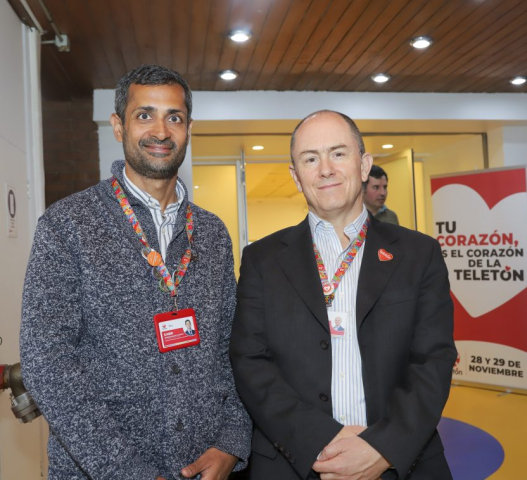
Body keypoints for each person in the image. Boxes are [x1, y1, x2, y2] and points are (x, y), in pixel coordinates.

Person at [20, 64, 251, 480]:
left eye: (174, 118)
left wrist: (231, 442)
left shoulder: (212, 232)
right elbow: (46, 361)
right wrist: (126, 470)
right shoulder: (67, 224)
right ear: (118, 126)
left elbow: (230, 348)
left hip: (205, 466)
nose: (160, 131)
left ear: (188, 129)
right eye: (145, 115)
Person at [230, 110, 456, 479]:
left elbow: (433, 360)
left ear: (364, 165)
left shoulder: (420, 254)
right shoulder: (262, 259)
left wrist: (382, 447)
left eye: (338, 153)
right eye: (310, 159)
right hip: (296, 462)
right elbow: (250, 362)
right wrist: (321, 440)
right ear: (296, 175)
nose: (325, 169)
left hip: (400, 463)